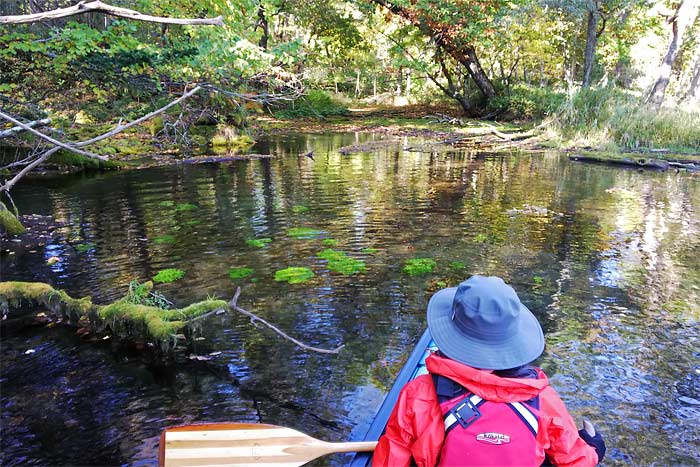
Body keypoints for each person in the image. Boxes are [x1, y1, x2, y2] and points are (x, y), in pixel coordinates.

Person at [373, 275, 606, 467]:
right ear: (511, 339)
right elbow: (577, 461)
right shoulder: (543, 399)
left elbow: (389, 461)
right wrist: (593, 446)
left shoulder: (418, 393)